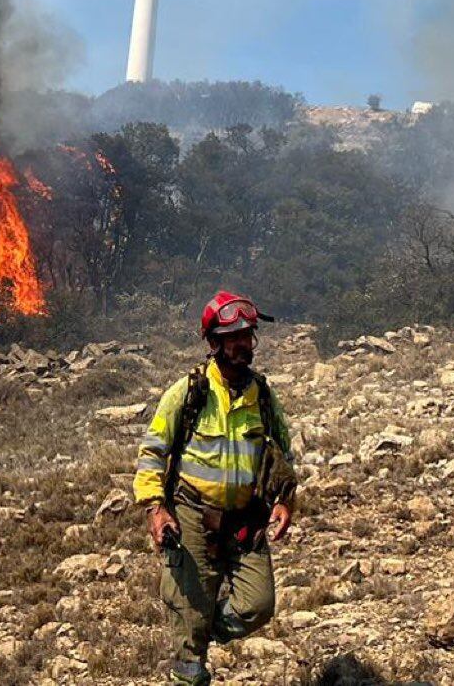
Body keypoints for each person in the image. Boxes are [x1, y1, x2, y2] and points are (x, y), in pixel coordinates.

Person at [134, 290, 297, 686]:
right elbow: (153, 451)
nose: (243, 344)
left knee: (258, 604)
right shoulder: (188, 393)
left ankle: (200, 631)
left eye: (248, 335)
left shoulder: (262, 394)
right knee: (187, 637)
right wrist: (156, 508)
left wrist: (286, 500)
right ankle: (189, 657)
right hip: (192, 518)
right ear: (214, 342)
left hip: (245, 521)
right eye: (234, 336)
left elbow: (285, 452)